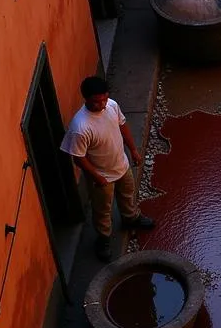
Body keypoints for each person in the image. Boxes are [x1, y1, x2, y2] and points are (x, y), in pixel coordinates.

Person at [61, 75, 155, 261]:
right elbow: (78, 158)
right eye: (97, 101)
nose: (102, 104)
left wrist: (133, 150)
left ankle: (131, 218)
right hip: (102, 177)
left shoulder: (111, 105)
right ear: (86, 99)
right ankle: (103, 238)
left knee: (128, 193)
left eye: (104, 98)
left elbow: (122, 126)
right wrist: (97, 177)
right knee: (102, 209)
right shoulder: (80, 126)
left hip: (121, 164)